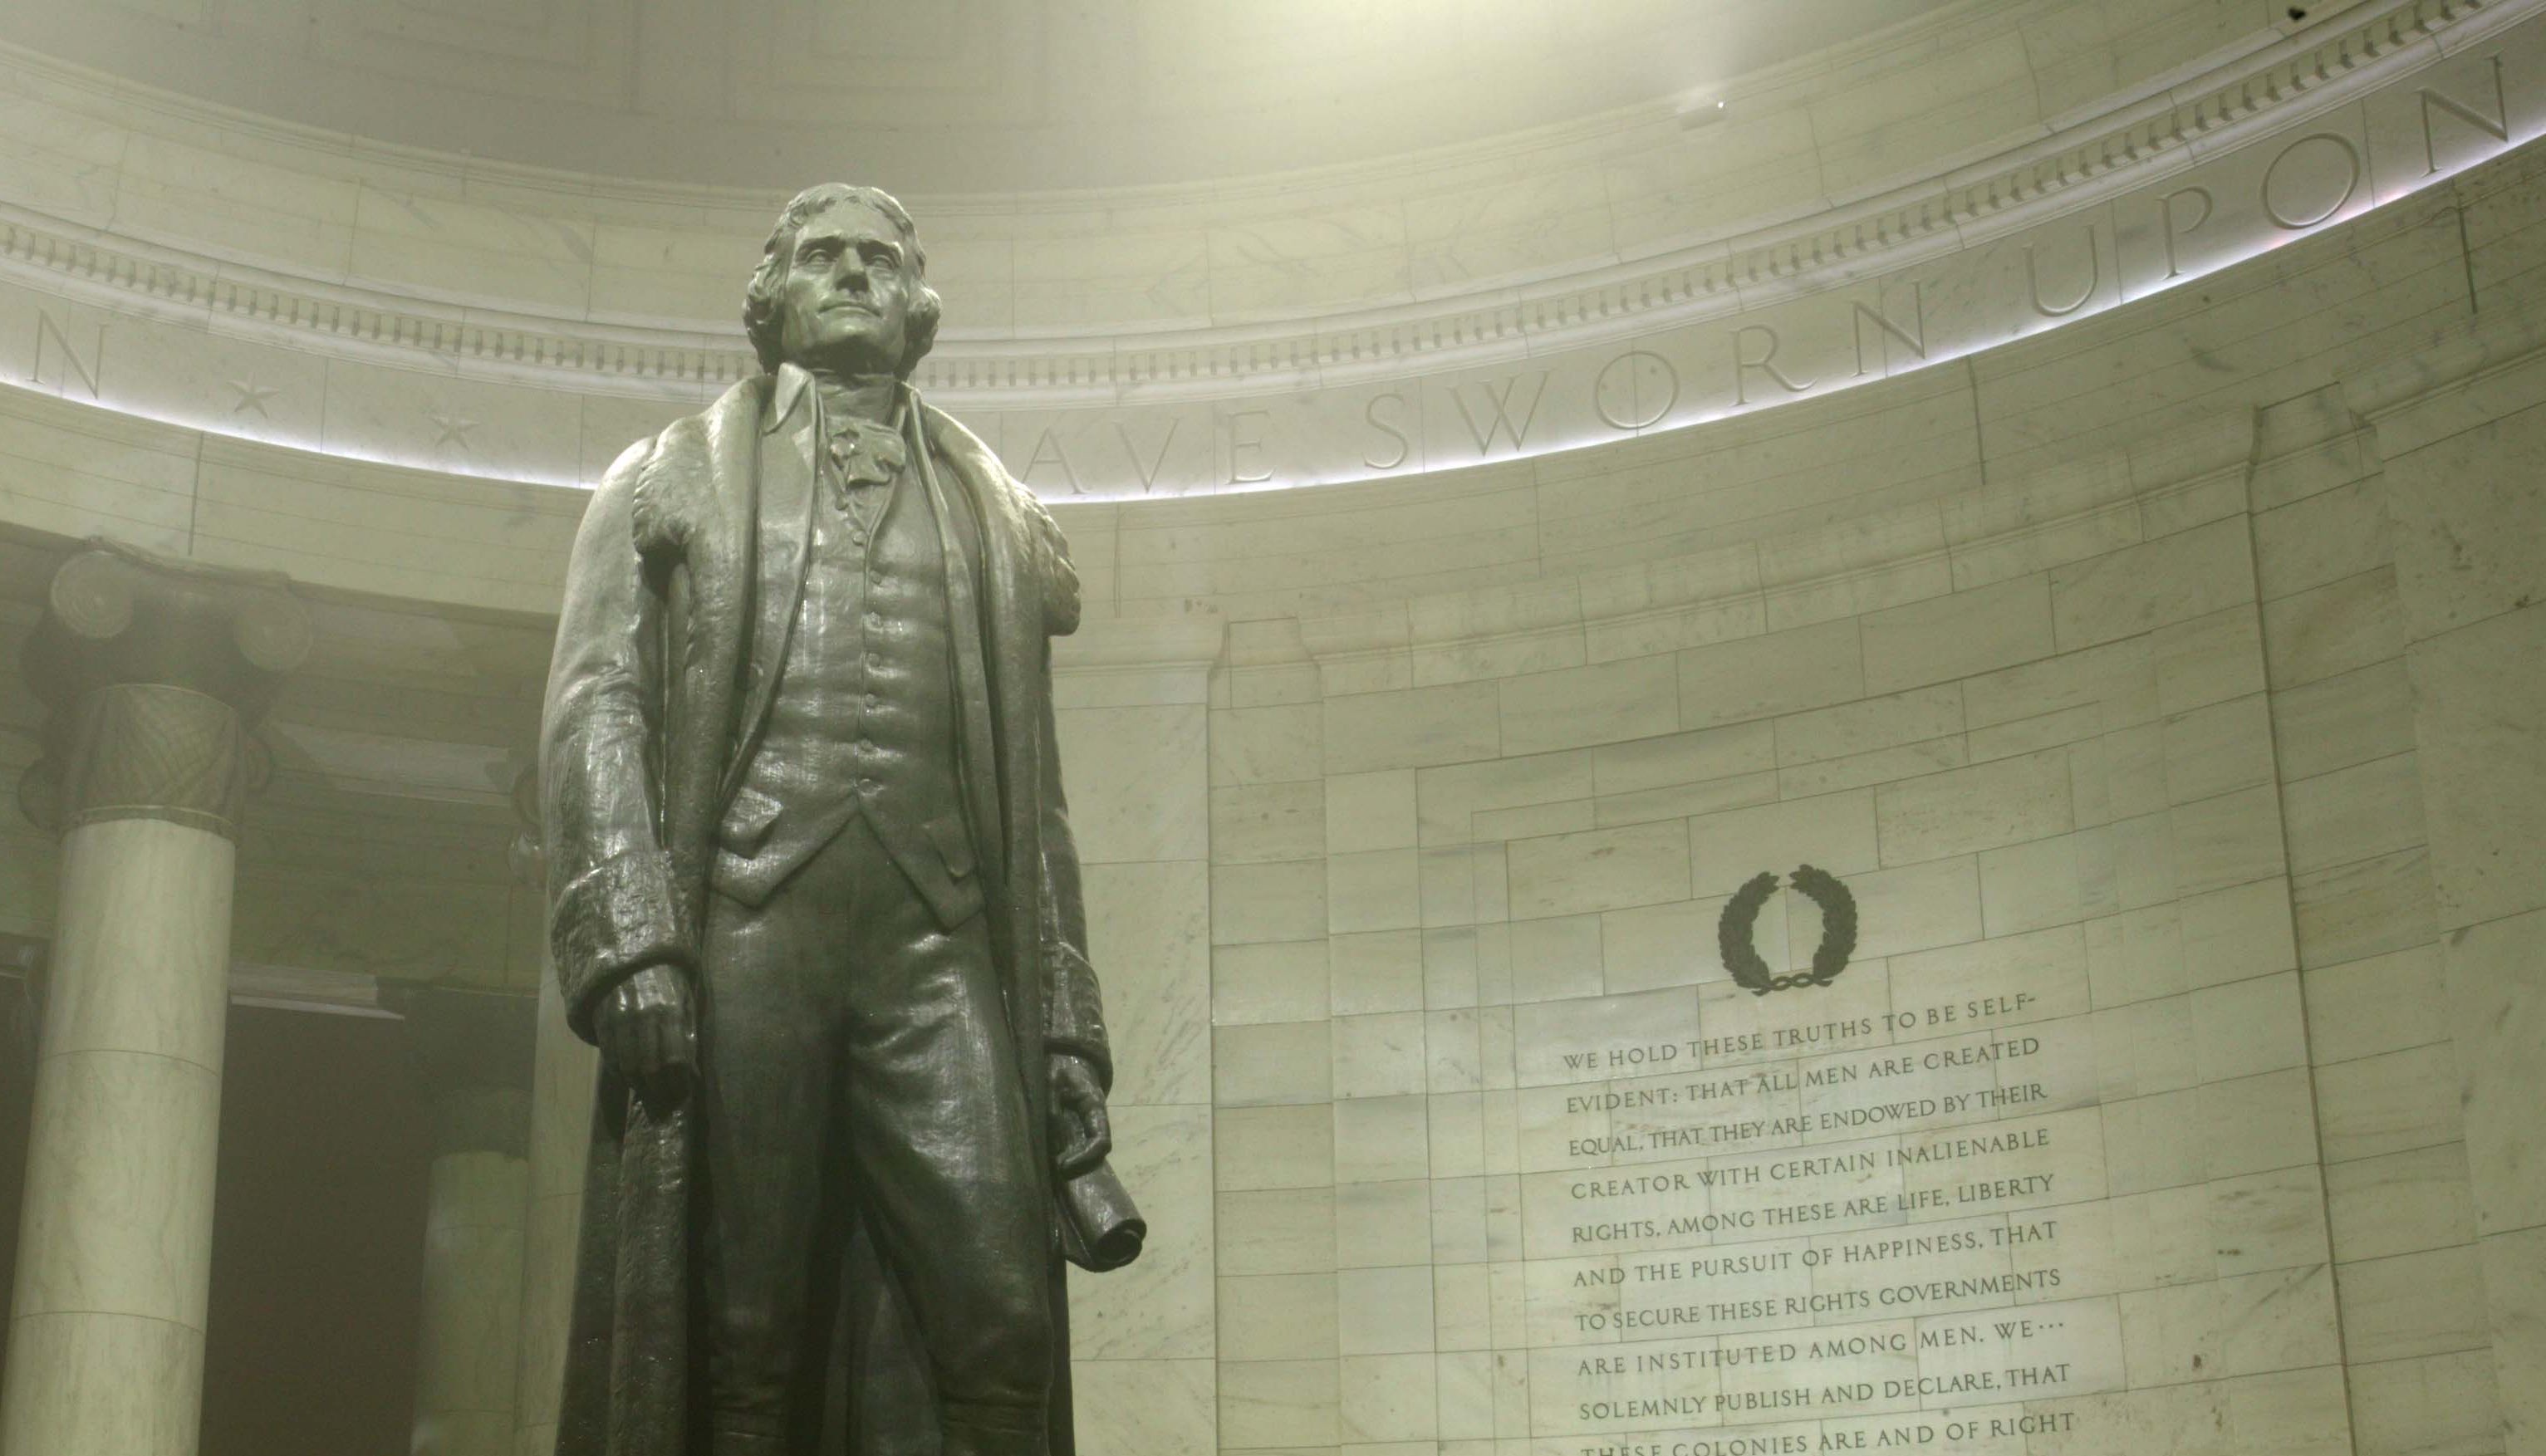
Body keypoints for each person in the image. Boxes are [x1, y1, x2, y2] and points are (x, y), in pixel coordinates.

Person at [539, 182, 1137, 1456]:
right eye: (822, 256)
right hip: (751, 924)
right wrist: (633, 936)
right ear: (772, 296)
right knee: (745, 1326)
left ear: (919, 301)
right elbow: (596, 704)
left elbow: (1041, 810)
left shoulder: (998, 514)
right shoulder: (666, 478)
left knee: (1005, 1316)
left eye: (880, 257)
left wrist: (1067, 1035)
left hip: (939, 951)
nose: (853, 274)